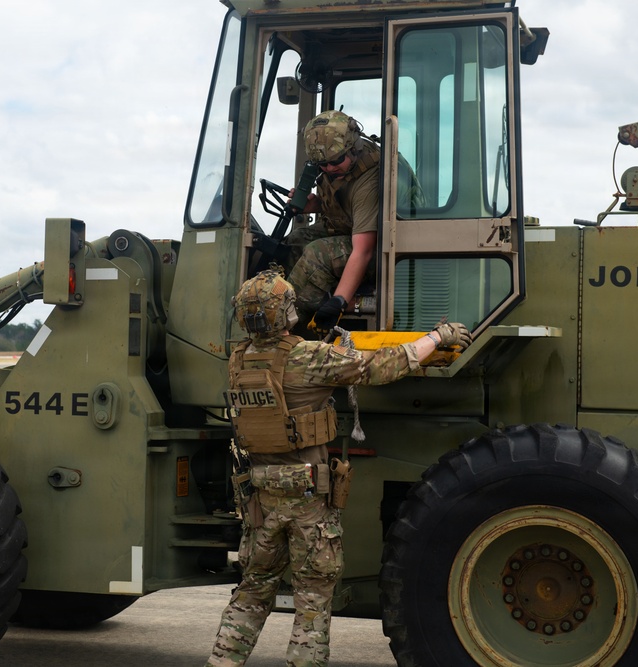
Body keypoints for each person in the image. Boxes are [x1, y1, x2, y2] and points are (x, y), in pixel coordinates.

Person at [205, 269, 470, 667]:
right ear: (285, 313)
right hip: (308, 498)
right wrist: (438, 337)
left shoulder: (239, 359)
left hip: (260, 496)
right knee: (312, 599)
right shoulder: (309, 356)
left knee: (252, 591)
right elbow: (379, 367)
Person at [285, 110, 423, 333]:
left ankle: (290, 332)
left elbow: (364, 250)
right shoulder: (340, 168)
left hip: (396, 250)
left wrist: (338, 302)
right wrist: (315, 205)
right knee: (296, 239)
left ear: (354, 147)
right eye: (323, 165)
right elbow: (350, 207)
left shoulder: (371, 177)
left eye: (336, 161)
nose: (330, 169)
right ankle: (295, 309)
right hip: (362, 232)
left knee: (317, 254)